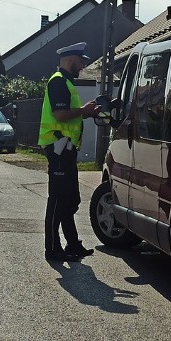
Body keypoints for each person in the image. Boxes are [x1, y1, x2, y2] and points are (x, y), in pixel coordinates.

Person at [38, 42, 101, 262]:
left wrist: (85, 112)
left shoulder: (65, 82)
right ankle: (53, 249)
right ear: (71, 59)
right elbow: (61, 114)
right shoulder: (58, 82)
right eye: (81, 61)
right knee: (57, 199)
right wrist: (83, 111)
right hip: (58, 148)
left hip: (66, 148)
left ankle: (72, 244)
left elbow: (69, 114)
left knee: (70, 199)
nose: (83, 65)